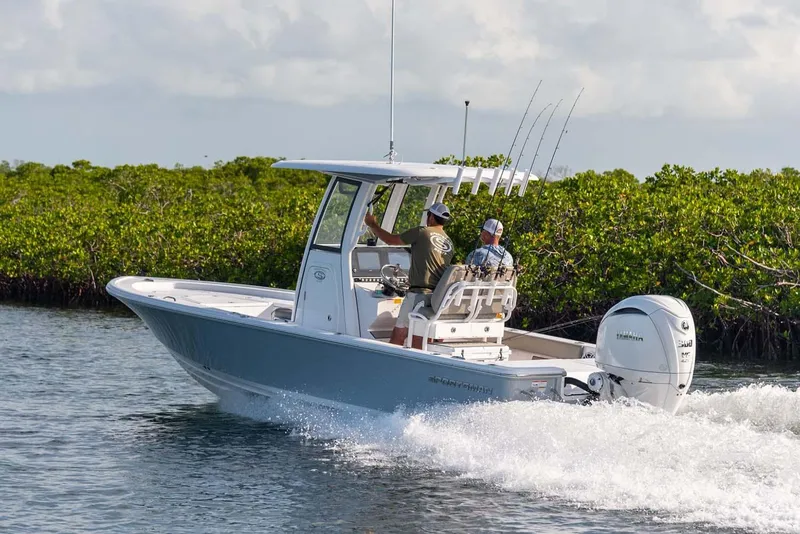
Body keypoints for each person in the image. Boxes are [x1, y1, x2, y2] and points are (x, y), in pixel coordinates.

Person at [364, 202, 455, 349]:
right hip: (437, 297)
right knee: (421, 336)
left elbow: (390, 240)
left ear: (431, 217)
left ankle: (390, 367)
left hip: (418, 295)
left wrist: (372, 225)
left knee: (399, 335)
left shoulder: (421, 232)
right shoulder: (449, 241)